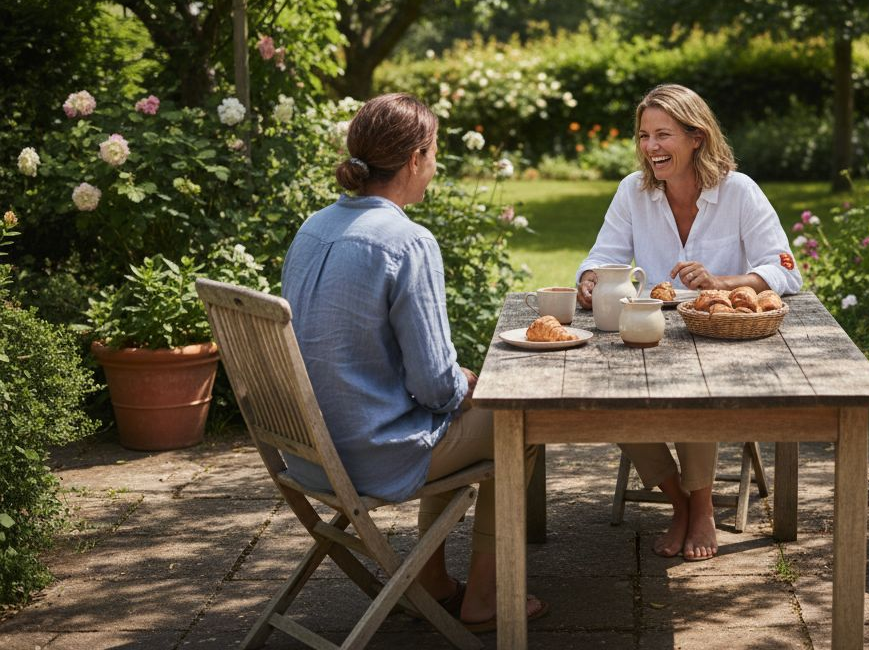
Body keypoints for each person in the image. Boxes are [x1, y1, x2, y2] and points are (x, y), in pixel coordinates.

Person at [281, 93, 544, 631]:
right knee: (522, 418)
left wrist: (450, 388)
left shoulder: (314, 228)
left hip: (306, 451)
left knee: (460, 410)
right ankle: (486, 599)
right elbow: (435, 386)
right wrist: (464, 382)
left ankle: (431, 581)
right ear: (415, 159)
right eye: (435, 153)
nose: (436, 166)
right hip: (370, 455)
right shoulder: (407, 241)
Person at [575, 83, 802, 561]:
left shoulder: (738, 192)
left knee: (698, 391)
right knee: (609, 401)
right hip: (652, 335)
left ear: (696, 136)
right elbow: (602, 255)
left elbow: (785, 269)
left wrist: (722, 282)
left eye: (664, 135)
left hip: (719, 343)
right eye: (643, 136)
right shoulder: (633, 193)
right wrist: (591, 279)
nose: (651, 147)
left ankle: (701, 508)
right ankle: (681, 502)